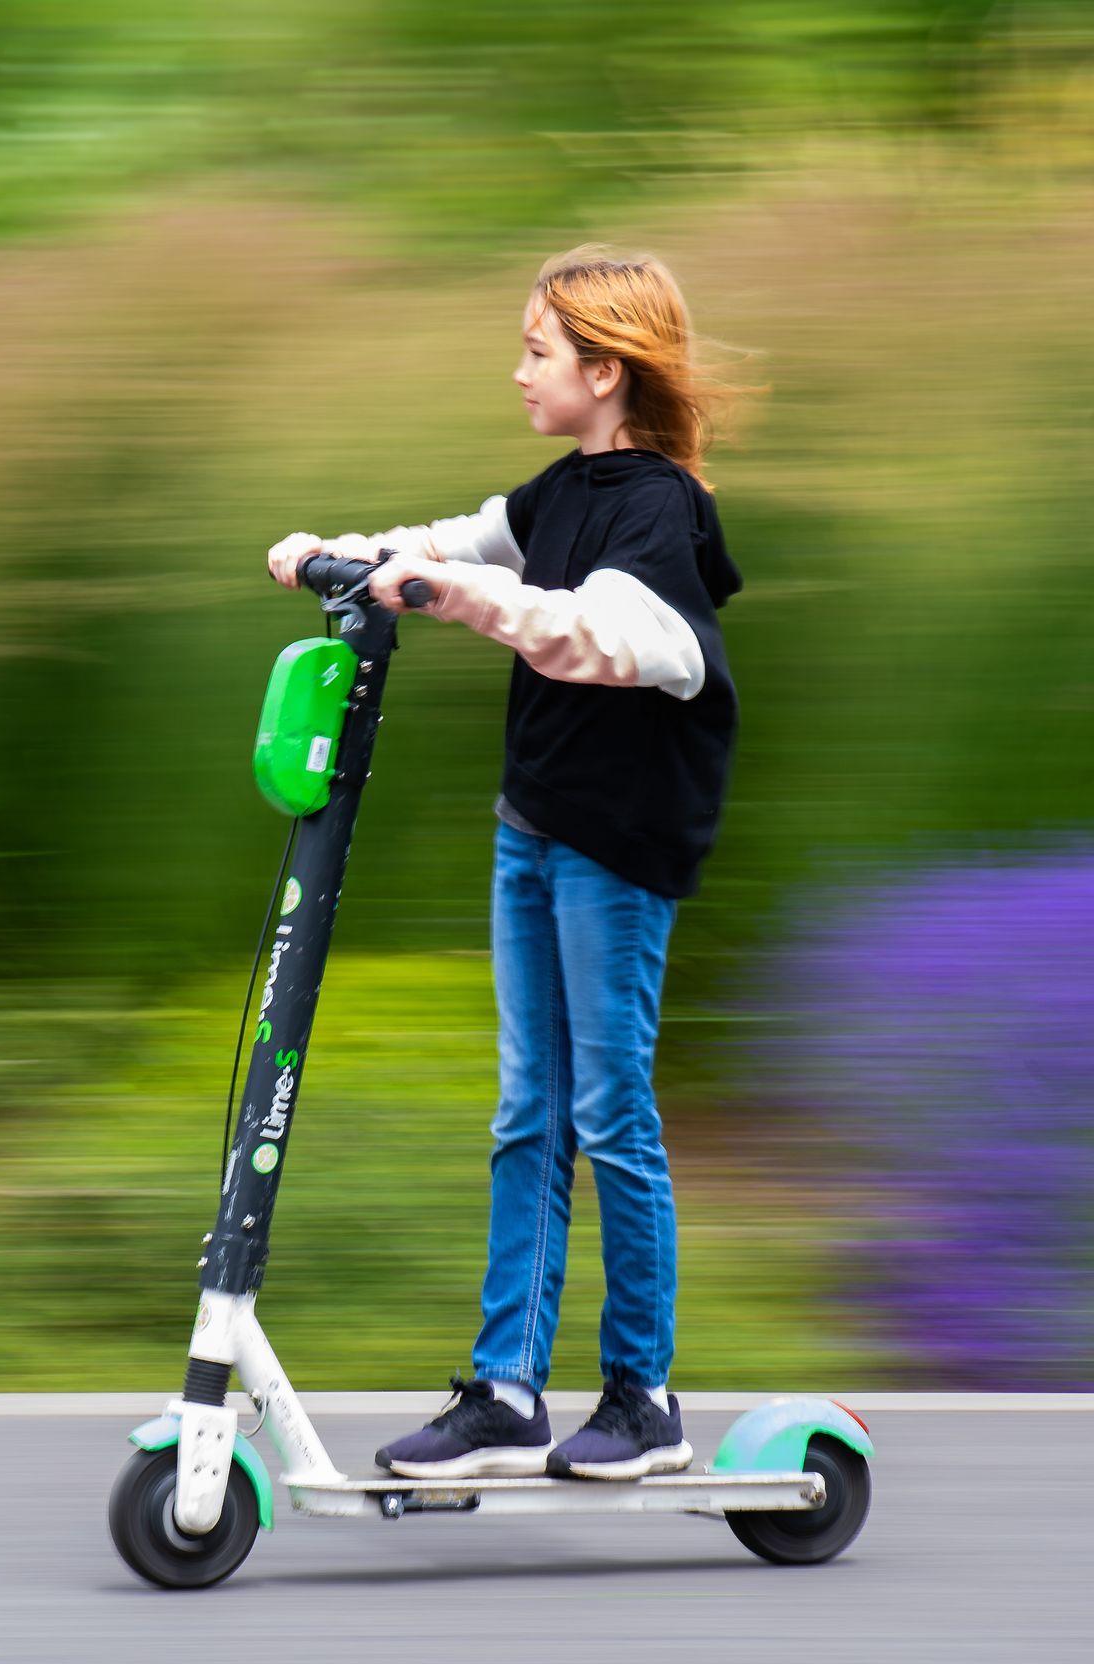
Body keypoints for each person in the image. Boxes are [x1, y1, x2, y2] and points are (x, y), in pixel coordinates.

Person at [262, 245, 743, 1482]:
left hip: (616, 843)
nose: (518, 370)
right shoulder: (557, 490)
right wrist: (350, 551)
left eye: (536, 351)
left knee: (609, 1109)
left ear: (603, 366)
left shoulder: (659, 509)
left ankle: (643, 1397)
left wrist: (461, 594)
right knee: (527, 1105)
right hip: (531, 822)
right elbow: (453, 539)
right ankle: (508, 1388)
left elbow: (611, 638)